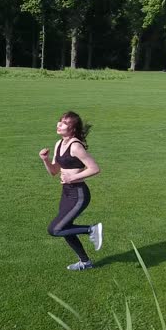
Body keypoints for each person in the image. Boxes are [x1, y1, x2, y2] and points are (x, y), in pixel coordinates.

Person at [39, 111, 103, 271]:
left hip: (79, 194)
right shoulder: (59, 144)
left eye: (64, 123)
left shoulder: (75, 146)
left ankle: (91, 229)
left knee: (55, 229)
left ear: (73, 129)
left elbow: (95, 168)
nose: (59, 125)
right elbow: (54, 171)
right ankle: (85, 262)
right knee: (66, 228)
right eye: (59, 122)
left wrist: (72, 178)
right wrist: (45, 160)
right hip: (67, 193)